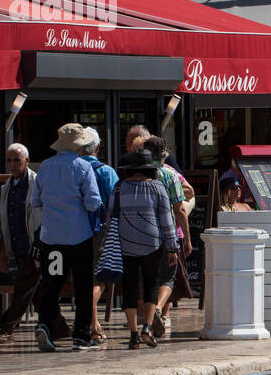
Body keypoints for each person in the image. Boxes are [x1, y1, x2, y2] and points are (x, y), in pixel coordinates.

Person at [31, 123, 103, 351]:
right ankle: (81, 336)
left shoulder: (45, 167)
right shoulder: (83, 167)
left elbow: (35, 201)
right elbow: (92, 202)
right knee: (83, 286)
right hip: (78, 237)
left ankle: (44, 324)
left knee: (51, 285)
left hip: (51, 238)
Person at [113, 149, 179, 349]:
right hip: (153, 244)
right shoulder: (158, 188)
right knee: (151, 285)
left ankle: (133, 333)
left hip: (125, 244)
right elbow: (167, 221)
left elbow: (110, 216)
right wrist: (172, 247)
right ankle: (147, 328)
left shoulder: (118, 188)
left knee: (130, 287)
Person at [137, 135, 192, 336]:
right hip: (168, 233)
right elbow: (180, 209)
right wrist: (187, 237)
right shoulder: (170, 175)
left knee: (147, 278)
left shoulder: (136, 174)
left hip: (141, 233)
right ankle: (159, 309)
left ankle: (147, 320)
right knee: (168, 278)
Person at [0, 143, 43, 344]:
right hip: (17, 243)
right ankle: (55, 325)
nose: (12, 165)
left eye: (17, 160)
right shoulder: (7, 187)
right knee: (33, 289)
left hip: (35, 243)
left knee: (24, 286)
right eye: (9, 160)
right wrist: (5, 250)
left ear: (27, 161)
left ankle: (7, 326)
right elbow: (5, 220)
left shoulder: (36, 184)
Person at [78, 129, 120, 343]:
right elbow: (116, 203)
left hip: (74, 231)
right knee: (100, 278)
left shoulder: (71, 169)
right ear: (98, 148)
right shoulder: (106, 172)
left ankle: (91, 322)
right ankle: (92, 323)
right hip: (100, 230)